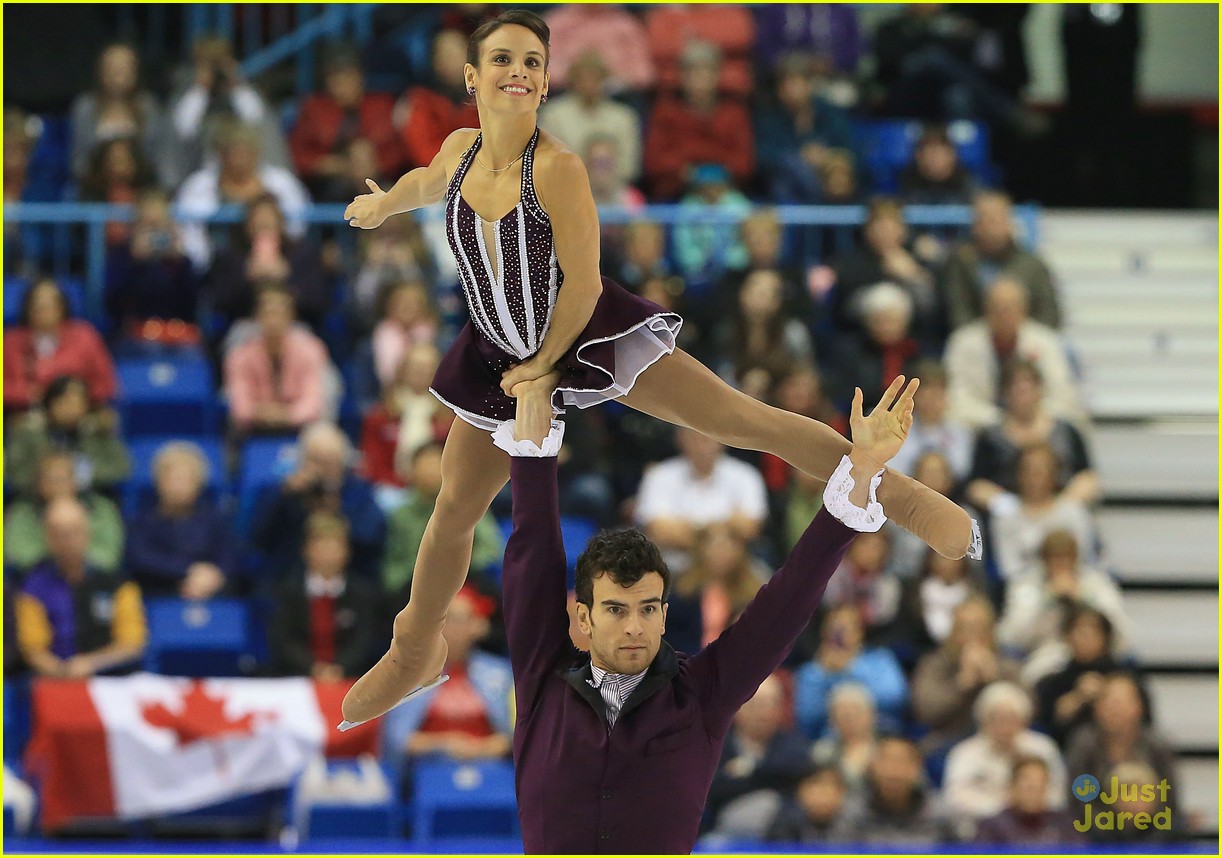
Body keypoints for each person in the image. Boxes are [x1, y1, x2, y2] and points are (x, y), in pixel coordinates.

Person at [340, 10, 977, 720]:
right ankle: (413, 650)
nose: (517, 72)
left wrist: (545, 369)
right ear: (471, 76)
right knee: (452, 511)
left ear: (547, 82)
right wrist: (384, 204)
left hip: (582, 336)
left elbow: (581, 288)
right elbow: (426, 184)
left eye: (530, 62)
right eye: (502, 60)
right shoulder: (459, 149)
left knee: (742, 419)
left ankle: (894, 493)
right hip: (500, 356)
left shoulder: (558, 168)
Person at [348, 359, 922, 851]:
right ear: (582, 618)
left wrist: (861, 476)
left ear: (666, 615)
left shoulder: (702, 695)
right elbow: (533, 552)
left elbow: (786, 602)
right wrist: (533, 450)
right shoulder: (542, 676)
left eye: (649, 608)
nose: (635, 626)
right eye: (617, 609)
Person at [14, 498, 147, 678]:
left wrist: (91, 663)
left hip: (111, 682)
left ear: (86, 533)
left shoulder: (117, 584)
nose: (67, 541)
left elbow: (132, 643)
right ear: (47, 537)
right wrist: (62, 672)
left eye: (73, 532)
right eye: (58, 534)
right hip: (55, 683)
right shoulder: (33, 588)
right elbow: (32, 648)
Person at [382, 584, 514, 765]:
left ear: (479, 626)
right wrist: (444, 743)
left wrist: (482, 749)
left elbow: (515, 735)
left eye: (461, 620)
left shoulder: (500, 673)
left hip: (491, 772)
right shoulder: (411, 674)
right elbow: (397, 740)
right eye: (446, 620)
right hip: (427, 774)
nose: (453, 629)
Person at [944, 280, 1083, 430]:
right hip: (981, 428)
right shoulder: (963, 342)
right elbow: (954, 397)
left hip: (1038, 428)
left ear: (1024, 310)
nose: (1003, 315)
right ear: (986, 310)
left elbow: (1062, 395)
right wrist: (1001, 420)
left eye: (1009, 308)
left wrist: (1029, 417)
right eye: (996, 308)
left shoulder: (1046, 342)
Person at [381, 442, 503, 602]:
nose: (431, 472)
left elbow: (491, 550)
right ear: (412, 472)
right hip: (414, 586)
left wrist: (455, 565)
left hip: (466, 580)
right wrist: (425, 570)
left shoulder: (470, 503)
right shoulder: (401, 515)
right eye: (425, 466)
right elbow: (392, 567)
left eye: (435, 465)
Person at [634, 428, 767, 573]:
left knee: (762, 573)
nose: (701, 446)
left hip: (734, 562)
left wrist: (689, 528)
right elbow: (658, 529)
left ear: (722, 441)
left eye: (706, 439)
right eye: (694, 438)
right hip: (677, 562)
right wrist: (719, 532)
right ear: (680, 439)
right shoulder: (660, 475)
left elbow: (749, 527)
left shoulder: (745, 474)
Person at [965, 359, 1097, 503]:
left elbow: (1088, 478)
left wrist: (1062, 506)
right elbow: (976, 486)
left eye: (1028, 388)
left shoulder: (1067, 432)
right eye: (1017, 389)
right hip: (1007, 515)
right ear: (1004, 393)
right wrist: (1009, 506)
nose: (1023, 396)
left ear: (1040, 389)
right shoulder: (990, 438)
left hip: (1060, 511)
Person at [269, 512, 379, 681]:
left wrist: (339, 668)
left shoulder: (362, 593)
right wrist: (314, 668)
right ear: (306, 550)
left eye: (334, 546)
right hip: (297, 679)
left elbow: (363, 640)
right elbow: (283, 640)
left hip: (351, 680)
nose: (327, 554)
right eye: (321, 546)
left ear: (347, 551)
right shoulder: (287, 591)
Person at [643, 40, 755, 200]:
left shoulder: (734, 113)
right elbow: (654, 162)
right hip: (675, 193)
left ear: (718, 74)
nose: (700, 78)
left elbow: (744, 163)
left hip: (727, 191)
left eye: (706, 71)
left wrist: (714, 173)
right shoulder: (665, 111)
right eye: (693, 72)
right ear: (681, 76)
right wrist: (686, 172)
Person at [942, 681, 1068, 822]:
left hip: (1036, 826)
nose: (1004, 727)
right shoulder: (964, 753)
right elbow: (954, 798)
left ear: (1023, 721)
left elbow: (1058, 794)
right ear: (983, 720)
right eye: (997, 719)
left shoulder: (1042, 748)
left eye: (1011, 719)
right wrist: (1004, 806)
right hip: (978, 829)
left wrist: (1029, 803)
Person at [911, 595, 1021, 755]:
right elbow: (926, 712)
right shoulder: (934, 664)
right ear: (952, 634)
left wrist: (994, 681)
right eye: (965, 629)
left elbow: (1029, 708)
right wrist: (961, 684)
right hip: (948, 738)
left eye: (980, 629)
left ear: (991, 634)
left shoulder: (1007, 665)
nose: (973, 637)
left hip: (1003, 740)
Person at [704, 674, 812, 837]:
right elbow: (712, 788)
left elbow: (796, 771)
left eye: (771, 705)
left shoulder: (793, 743)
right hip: (723, 832)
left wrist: (750, 770)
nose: (764, 713)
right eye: (757, 705)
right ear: (738, 708)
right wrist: (769, 778)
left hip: (781, 834)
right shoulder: (717, 745)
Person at [290, 46, 402, 202]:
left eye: (349, 78)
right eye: (336, 80)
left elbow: (397, 152)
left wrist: (372, 163)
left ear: (360, 78)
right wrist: (334, 165)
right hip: (329, 186)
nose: (343, 86)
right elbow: (298, 156)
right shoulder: (314, 110)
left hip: (380, 181)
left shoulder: (381, 106)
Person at [124, 441, 233, 600]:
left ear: (199, 483)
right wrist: (189, 570)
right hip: (158, 591)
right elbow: (140, 558)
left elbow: (229, 558)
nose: (178, 487)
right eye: (173, 479)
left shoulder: (214, 520)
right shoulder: (143, 520)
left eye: (185, 479)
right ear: (158, 481)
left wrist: (211, 577)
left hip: (210, 591)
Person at [206, 194, 330, 333]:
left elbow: (318, 303)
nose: (264, 223)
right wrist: (247, 278)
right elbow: (220, 303)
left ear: (281, 223)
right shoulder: (230, 257)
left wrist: (287, 278)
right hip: (246, 327)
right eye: (258, 220)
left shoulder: (302, 254)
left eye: (269, 219)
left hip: (294, 327)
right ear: (247, 225)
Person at [997, 529, 1130, 658]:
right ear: (1044, 560)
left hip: (1094, 657)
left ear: (1076, 557)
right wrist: (1047, 597)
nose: (1062, 564)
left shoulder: (1097, 583)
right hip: (1044, 655)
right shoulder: (1026, 584)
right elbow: (1011, 637)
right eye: (1055, 558)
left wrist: (1084, 596)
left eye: (1068, 557)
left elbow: (1124, 635)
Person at [939, 192, 1060, 331]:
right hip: (978, 336)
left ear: (1009, 222)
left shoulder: (1033, 264)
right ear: (974, 225)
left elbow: (1050, 314)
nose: (991, 227)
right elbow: (958, 311)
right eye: (985, 219)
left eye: (997, 218)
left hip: (1025, 335)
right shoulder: (961, 262)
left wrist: (1015, 332)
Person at [223, 284, 334, 436]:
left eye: (280, 313)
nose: (274, 320)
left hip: (299, 427)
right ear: (257, 316)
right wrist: (260, 413)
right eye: (268, 313)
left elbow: (313, 403)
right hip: (254, 426)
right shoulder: (240, 356)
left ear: (291, 316)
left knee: (321, 433)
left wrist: (285, 415)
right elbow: (239, 405)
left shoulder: (311, 350)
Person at [793, 603, 908, 738]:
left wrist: (850, 668)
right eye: (834, 629)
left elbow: (894, 697)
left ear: (860, 632)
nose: (840, 636)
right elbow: (806, 716)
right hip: (830, 741)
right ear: (823, 632)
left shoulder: (880, 660)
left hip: (880, 733)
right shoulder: (812, 672)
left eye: (846, 628)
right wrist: (825, 674)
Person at [5, 376, 131, 498]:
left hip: (90, 501)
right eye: (65, 401)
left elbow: (122, 468)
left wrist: (83, 476)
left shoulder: (98, 433)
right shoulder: (29, 434)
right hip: (34, 503)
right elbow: (14, 474)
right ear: (49, 404)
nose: (72, 408)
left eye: (78, 401)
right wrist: (48, 479)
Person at [754, 53, 856, 204]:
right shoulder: (768, 119)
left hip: (830, 180)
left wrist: (827, 157)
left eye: (797, 83)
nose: (793, 90)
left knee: (839, 177)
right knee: (785, 180)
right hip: (786, 183)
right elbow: (763, 157)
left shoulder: (831, 114)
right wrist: (801, 156)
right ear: (779, 90)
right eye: (787, 84)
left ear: (809, 85)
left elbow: (850, 150)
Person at [1033, 605, 1141, 747]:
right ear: (1067, 637)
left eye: (1093, 631)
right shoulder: (1052, 682)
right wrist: (1078, 697)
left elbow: (1145, 720)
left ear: (1106, 637)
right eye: (1077, 631)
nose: (1084, 636)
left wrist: (1108, 696)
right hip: (1068, 752)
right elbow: (1046, 725)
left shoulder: (1126, 676)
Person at [988, 443, 1098, 582]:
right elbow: (1008, 567)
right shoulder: (1005, 514)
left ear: (1054, 473)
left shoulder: (1073, 511)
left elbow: (1084, 559)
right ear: (1018, 473)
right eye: (1028, 470)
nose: (1034, 478)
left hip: (1071, 582)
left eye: (1041, 471)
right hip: (1024, 589)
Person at [4, 278, 117, 412]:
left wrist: (76, 396)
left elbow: (107, 385)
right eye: (38, 305)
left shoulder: (85, 336)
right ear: (27, 308)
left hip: (81, 411)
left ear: (62, 306)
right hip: (27, 413)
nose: (44, 310)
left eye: (50, 304)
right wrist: (28, 394)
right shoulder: (11, 341)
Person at [5, 451, 124, 574]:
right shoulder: (21, 513)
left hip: (91, 578)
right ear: (38, 483)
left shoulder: (101, 509)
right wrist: (59, 557)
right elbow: (17, 555)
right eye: (49, 479)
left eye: (62, 478)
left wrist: (74, 559)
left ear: (75, 481)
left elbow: (109, 556)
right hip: (36, 580)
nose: (57, 485)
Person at [104, 190, 203, 338]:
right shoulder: (121, 257)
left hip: (176, 334)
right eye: (148, 226)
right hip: (133, 334)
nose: (154, 235)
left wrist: (179, 262)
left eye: (159, 226)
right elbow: (113, 305)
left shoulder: (180, 261)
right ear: (136, 226)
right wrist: (135, 263)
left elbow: (192, 305)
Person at [69, 43, 167, 185]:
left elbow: (158, 157)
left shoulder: (149, 107)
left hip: (141, 187)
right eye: (112, 67)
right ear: (100, 71)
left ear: (136, 72)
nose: (117, 74)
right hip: (93, 189)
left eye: (123, 68)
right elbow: (78, 160)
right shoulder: (84, 107)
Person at [539, 50, 641, 186]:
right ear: (573, 80)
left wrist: (601, 178)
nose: (589, 84)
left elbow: (629, 167)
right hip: (564, 187)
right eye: (583, 78)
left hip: (611, 190)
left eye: (595, 78)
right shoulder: (553, 115)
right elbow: (545, 161)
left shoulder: (624, 117)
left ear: (604, 80)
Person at [837, 735, 961, 845]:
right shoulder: (853, 812)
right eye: (886, 761)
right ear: (872, 767)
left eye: (902, 762)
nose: (894, 772)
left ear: (917, 768)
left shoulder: (941, 814)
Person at [665, 524, 768, 655]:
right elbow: (673, 641)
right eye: (715, 546)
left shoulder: (754, 595)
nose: (721, 553)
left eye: (727, 547)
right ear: (701, 550)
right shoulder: (681, 595)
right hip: (692, 664)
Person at [974, 756, 1081, 844]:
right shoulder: (993, 827)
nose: (1034, 793)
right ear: (1012, 787)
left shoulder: (1064, 824)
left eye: (1040, 786)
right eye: (1028, 787)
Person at [810, 682, 879, 789]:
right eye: (844, 714)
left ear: (871, 714)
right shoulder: (822, 752)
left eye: (856, 712)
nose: (850, 719)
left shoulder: (884, 750)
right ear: (832, 720)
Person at [765, 763, 851, 844]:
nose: (824, 795)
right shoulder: (785, 825)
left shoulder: (854, 827)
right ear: (801, 791)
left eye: (832, 787)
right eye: (817, 786)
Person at [899, 124, 980, 205]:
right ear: (917, 156)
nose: (933, 159)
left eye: (938, 153)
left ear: (952, 156)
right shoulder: (903, 184)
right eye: (929, 153)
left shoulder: (969, 184)